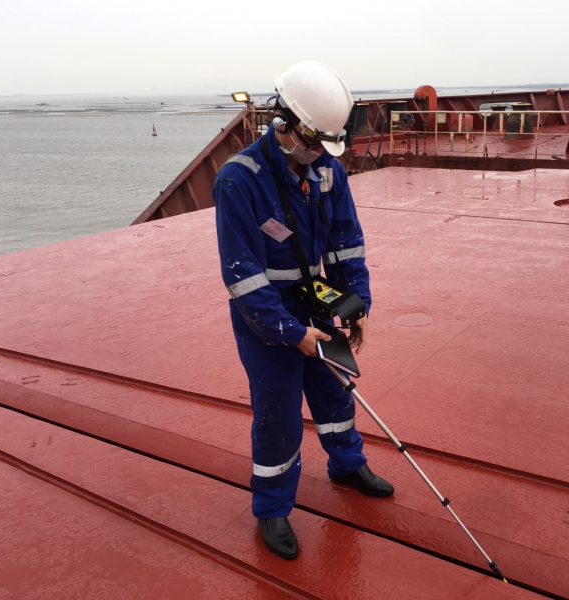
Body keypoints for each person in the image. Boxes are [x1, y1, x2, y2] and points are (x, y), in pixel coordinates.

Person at [213, 60, 394, 560]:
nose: (319, 154)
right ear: (286, 122)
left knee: (337, 392)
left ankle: (346, 463)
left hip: (318, 305)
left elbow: (345, 244)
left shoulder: (328, 171)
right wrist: (291, 334)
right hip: (265, 318)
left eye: (325, 146)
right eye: (313, 143)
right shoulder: (239, 181)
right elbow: (243, 276)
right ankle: (272, 508)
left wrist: (356, 305)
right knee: (279, 415)